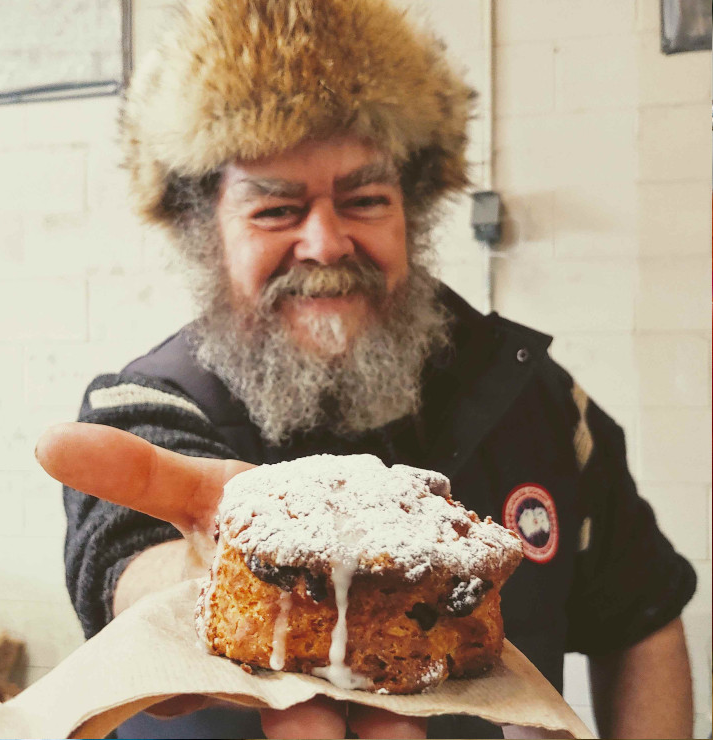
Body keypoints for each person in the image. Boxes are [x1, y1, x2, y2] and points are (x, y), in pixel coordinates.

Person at [36, 0, 697, 737]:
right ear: (204, 232)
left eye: (364, 199)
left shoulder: (537, 400)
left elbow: (641, 619)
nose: (326, 242)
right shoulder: (149, 407)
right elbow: (128, 551)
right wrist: (196, 587)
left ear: (410, 211)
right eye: (276, 209)